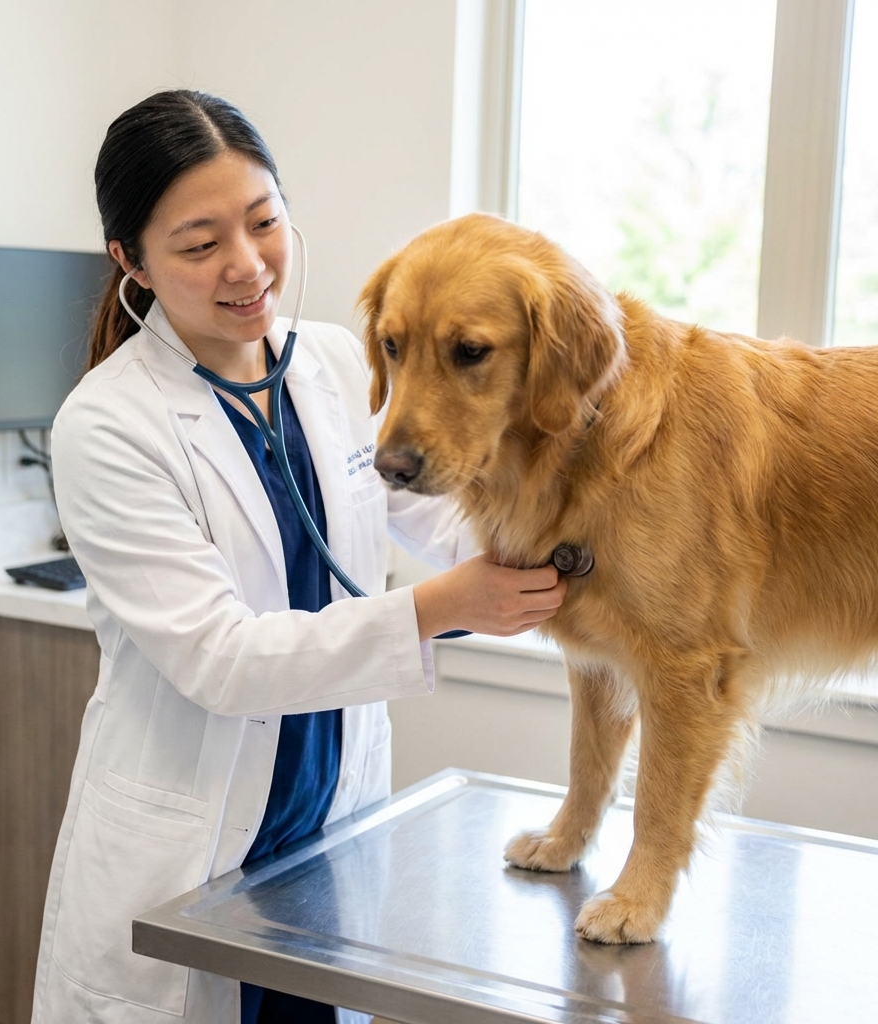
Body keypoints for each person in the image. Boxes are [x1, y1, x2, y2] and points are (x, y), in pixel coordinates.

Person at [30, 90, 566, 1024]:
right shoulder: (106, 424)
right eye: (199, 245)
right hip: (189, 860)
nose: (246, 266)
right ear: (132, 262)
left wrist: (572, 530)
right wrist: (445, 605)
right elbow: (223, 660)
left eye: (264, 221)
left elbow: (440, 520)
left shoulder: (327, 363)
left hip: (327, 844)